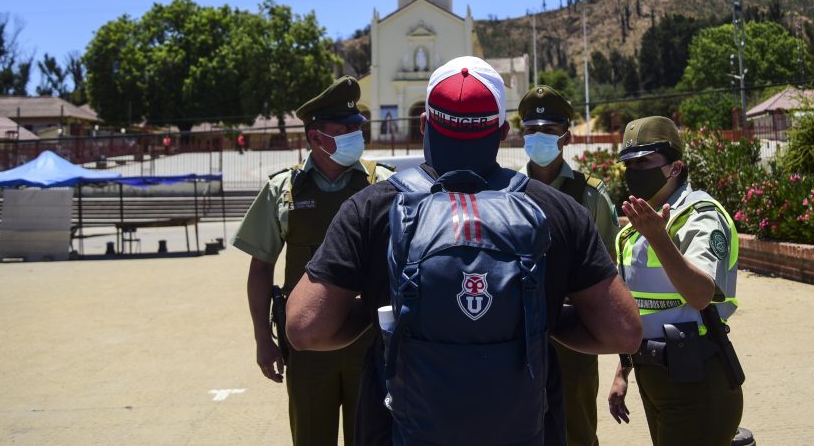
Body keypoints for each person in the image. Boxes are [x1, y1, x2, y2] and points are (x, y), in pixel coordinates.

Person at [286, 56, 641, 445]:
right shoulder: (557, 211)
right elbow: (622, 332)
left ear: (424, 124)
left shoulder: (371, 208)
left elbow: (306, 328)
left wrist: (383, 313)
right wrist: (539, 317)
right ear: (504, 131)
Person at [232, 75, 394, 446]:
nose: (357, 135)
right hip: (305, 346)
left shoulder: (382, 184)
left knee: (370, 437)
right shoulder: (282, 190)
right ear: (316, 136)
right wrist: (263, 340)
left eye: (358, 127)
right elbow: (260, 267)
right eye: (345, 129)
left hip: (369, 342)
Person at [607, 116, 745, 445]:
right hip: (652, 376)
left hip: (697, 377)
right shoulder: (631, 231)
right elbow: (635, 309)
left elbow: (700, 295)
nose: (635, 172)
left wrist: (659, 238)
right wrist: (622, 371)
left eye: (645, 161)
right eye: (629, 163)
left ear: (675, 167)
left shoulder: (700, 215)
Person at [519, 85, 620, 446]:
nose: (539, 138)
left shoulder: (590, 194)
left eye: (548, 131)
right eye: (531, 130)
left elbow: (611, 271)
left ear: (566, 136)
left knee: (576, 430)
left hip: (574, 337)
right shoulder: (506, 192)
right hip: (518, 336)